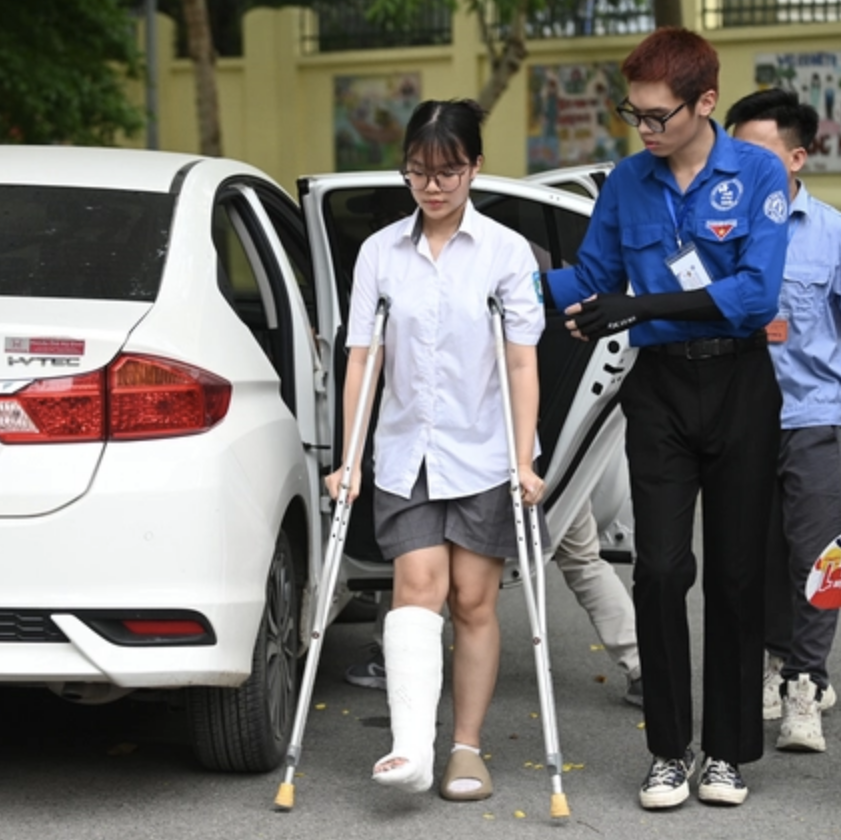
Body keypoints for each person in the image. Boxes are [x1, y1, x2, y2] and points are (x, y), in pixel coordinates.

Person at [541, 27, 789, 810]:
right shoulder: (627, 182)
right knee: (657, 569)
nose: (644, 129)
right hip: (660, 391)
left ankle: (727, 753)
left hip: (740, 382)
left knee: (737, 573)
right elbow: (593, 277)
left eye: (658, 116)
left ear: (705, 102)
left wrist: (639, 306)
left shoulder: (757, 173)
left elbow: (755, 295)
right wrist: (508, 274)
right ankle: (667, 752)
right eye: (634, 114)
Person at [328, 98, 547, 802]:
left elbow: (521, 361)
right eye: (419, 172)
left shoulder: (506, 252)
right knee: (417, 589)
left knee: (474, 600)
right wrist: (348, 457)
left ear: (475, 167)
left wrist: (524, 460)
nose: (432, 186)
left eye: (448, 171)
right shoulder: (380, 253)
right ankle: (411, 746)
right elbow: (362, 361)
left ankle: (465, 748)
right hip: (405, 452)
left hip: (483, 450)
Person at [723, 88, 841, 753]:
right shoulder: (720, 232)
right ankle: (773, 661)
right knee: (751, 557)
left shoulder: (835, 234)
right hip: (740, 420)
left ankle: (806, 685)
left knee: (816, 558)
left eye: (755, 153)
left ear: (795, 158)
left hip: (812, 417)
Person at [345, 498, 644, 706]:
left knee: (417, 549)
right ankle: (642, 668)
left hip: (491, 477)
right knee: (585, 562)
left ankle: (392, 655)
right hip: (557, 468)